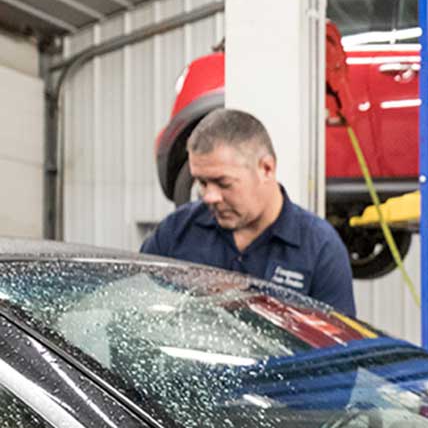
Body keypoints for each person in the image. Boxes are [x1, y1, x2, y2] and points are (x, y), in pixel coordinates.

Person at [141, 108, 357, 315]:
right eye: (202, 182)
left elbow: (341, 348)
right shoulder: (175, 233)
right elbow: (133, 313)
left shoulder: (320, 248)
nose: (209, 197)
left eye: (223, 183)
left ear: (266, 169)